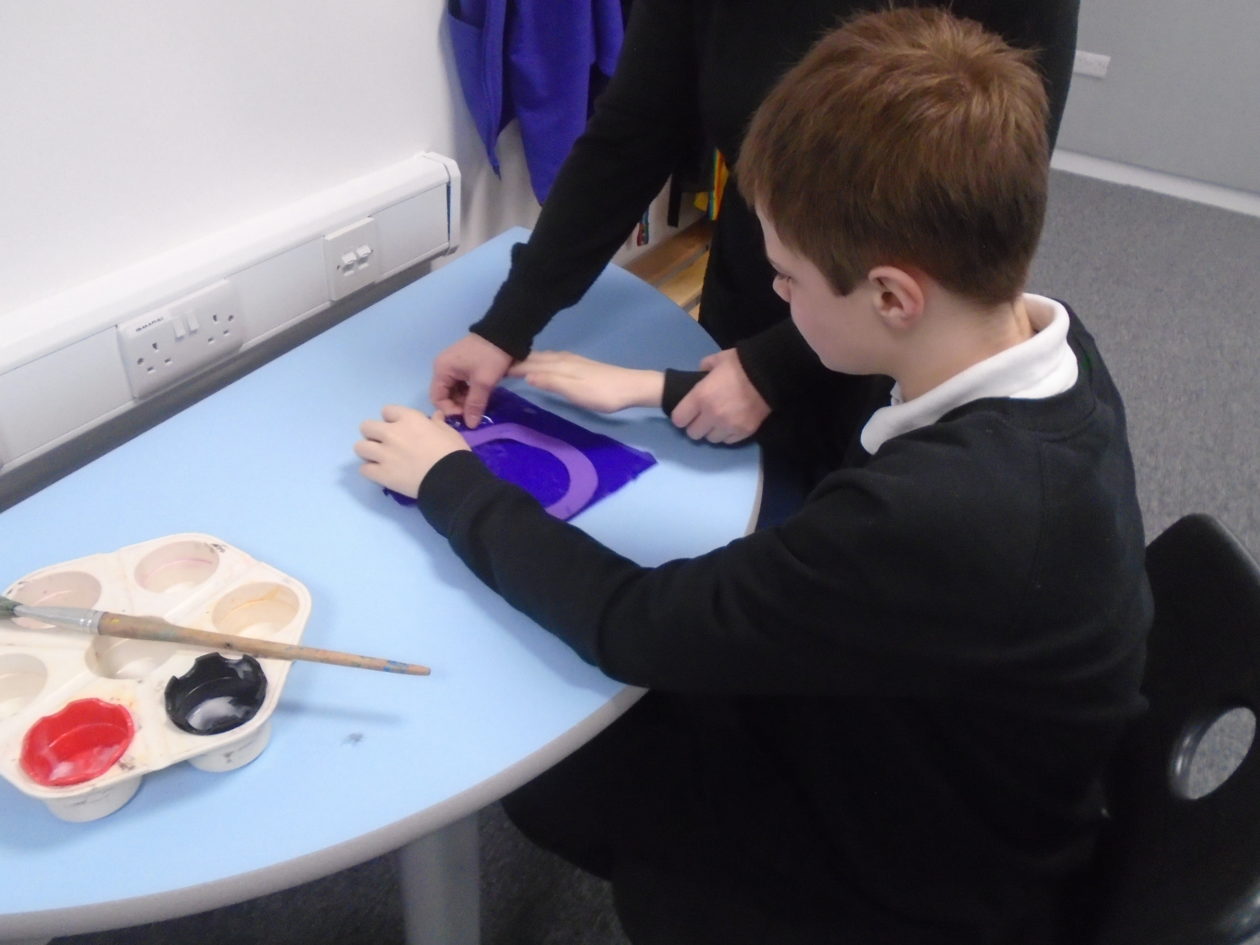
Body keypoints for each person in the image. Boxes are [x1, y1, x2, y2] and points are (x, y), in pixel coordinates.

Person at [356, 8, 1150, 943]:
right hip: (956, 753)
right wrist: (657, 387)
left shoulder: (940, 514)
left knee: (558, 773)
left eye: (788, 280)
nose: (772, 296)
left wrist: (450, 480)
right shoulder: (1054, 352)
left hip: (925, 875)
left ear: (893, 295)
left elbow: (636, 623)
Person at [430, 0, 1082, 455]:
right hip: (770, 288)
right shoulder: (782, 270)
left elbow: (983, 203)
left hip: (899, 344)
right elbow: (630, 136)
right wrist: (508, 323)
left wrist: (774, 368)